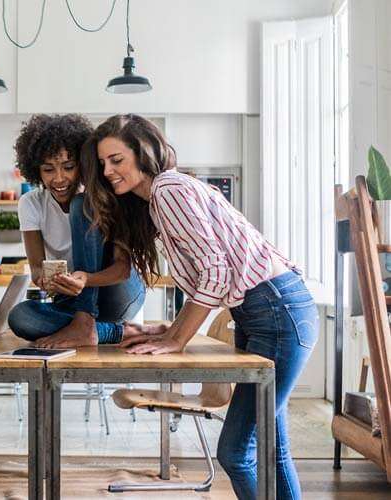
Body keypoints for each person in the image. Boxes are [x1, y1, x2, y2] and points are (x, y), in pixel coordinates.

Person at [82, 114, 318, 500]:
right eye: (103, 163)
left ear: (144, 153)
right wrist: (171, 331)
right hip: (267, 309)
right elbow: (213, 274)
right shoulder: (162, 196)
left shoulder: (167, 190)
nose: (107, 171)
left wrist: (178, 339)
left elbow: (215, 270)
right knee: (270, 447)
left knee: (237, 452)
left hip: (275, 310)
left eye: (117, 160)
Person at [7, 114, 146, 348]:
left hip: (116, 291)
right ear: (36, 171)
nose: (59, 178)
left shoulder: (103, 198)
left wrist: (87, 279)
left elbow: (122, 270)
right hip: (70, 297)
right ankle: (115, 332)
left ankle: (85, 323)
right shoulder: (31, 203)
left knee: (81, 203)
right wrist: (47, 280)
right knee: (21, 317)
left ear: (83, 164)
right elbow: (37, 269)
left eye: (69, 167)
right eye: (48, 169)